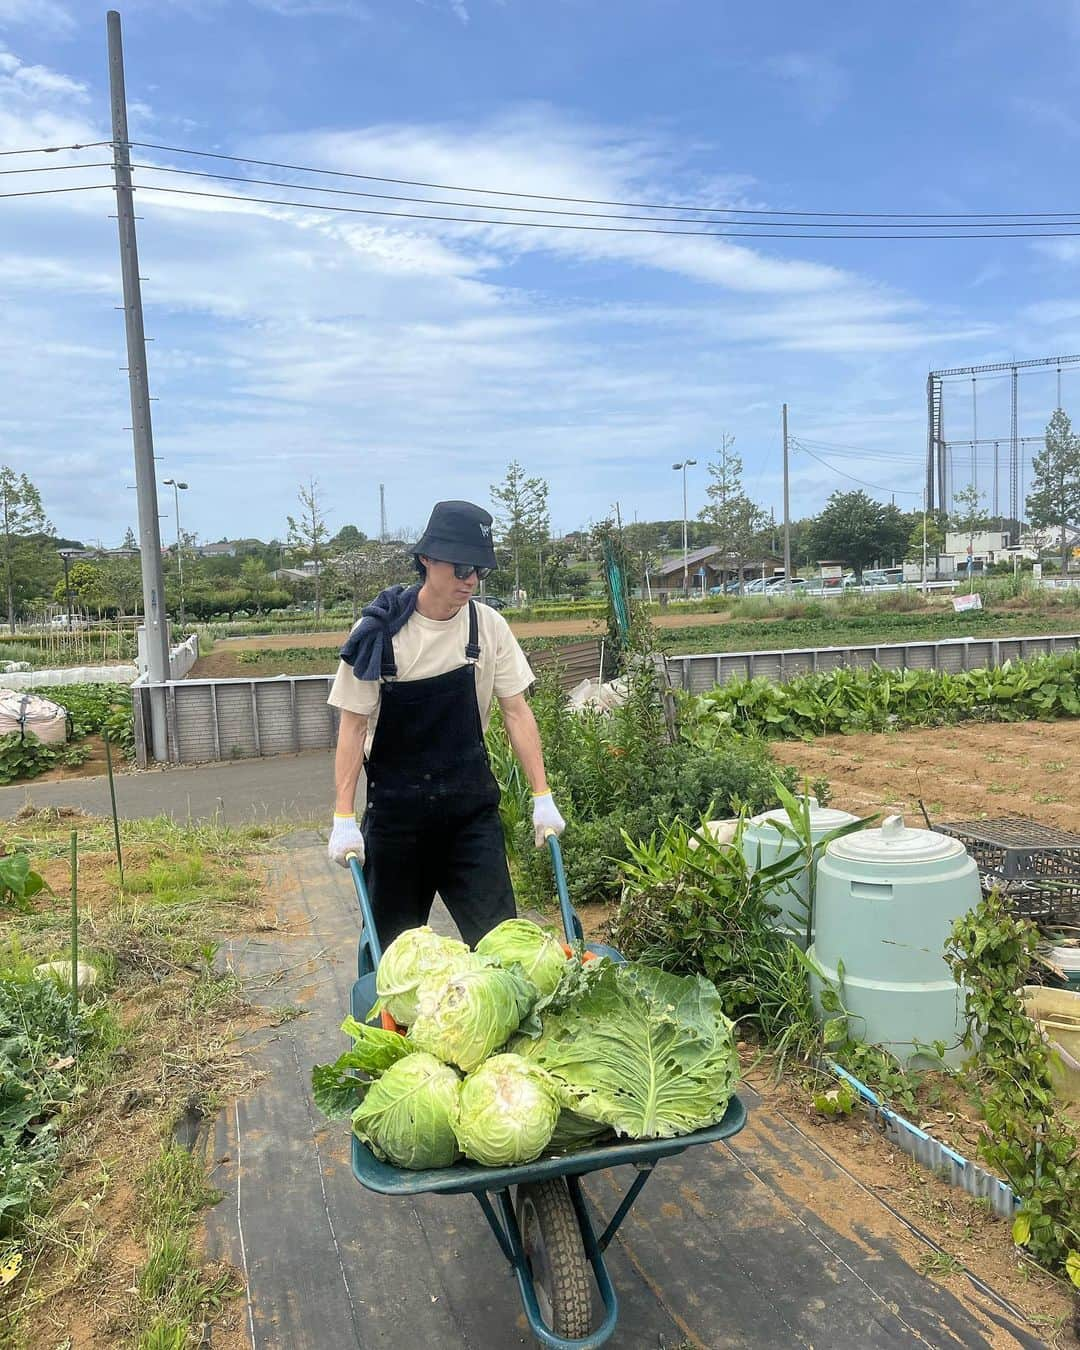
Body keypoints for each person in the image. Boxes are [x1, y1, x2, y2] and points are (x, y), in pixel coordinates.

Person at [326, 500, 565, 948]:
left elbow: (516, 711)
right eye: (460, 568)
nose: (471, 580)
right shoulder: (379, 635)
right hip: (397, 821)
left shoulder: (487, 626)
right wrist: (343, 816)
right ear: (427, 560)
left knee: (504, 951)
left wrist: (542, 795)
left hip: (469, 817)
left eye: (479, 570)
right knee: (392, 958)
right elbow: (353, 726)